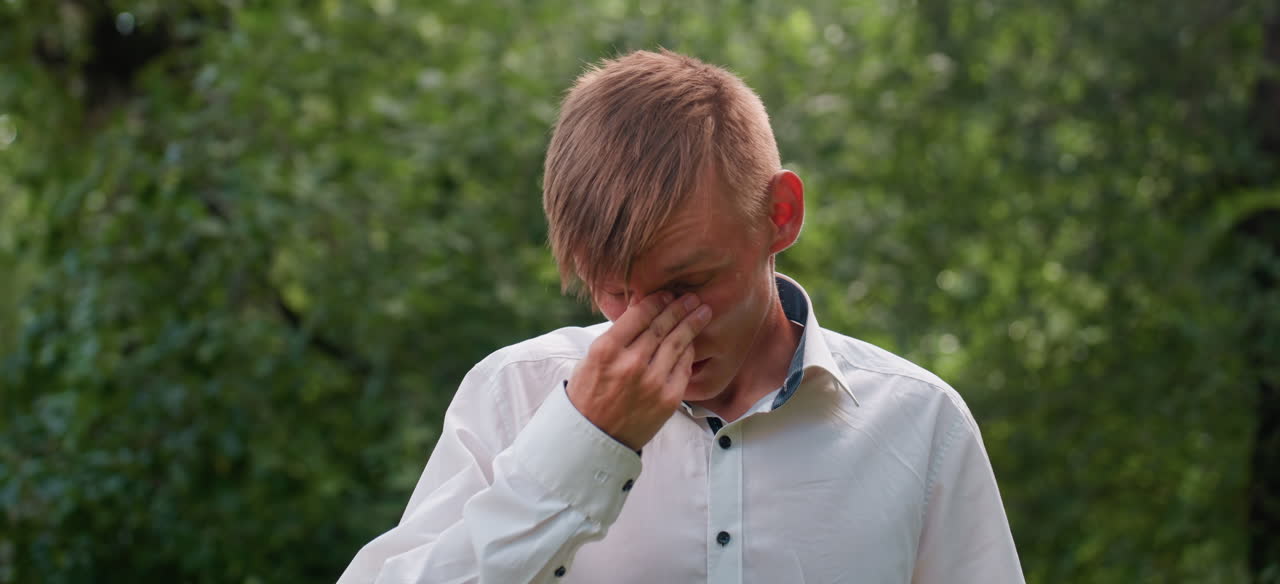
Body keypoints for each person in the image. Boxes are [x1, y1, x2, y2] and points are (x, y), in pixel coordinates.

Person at [338, 50, 1024, 583]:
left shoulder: (920, 423)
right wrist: (580, 448)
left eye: (687, 283)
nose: (651, 327)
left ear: (779, 215)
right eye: (612, 292)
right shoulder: (513, 394)